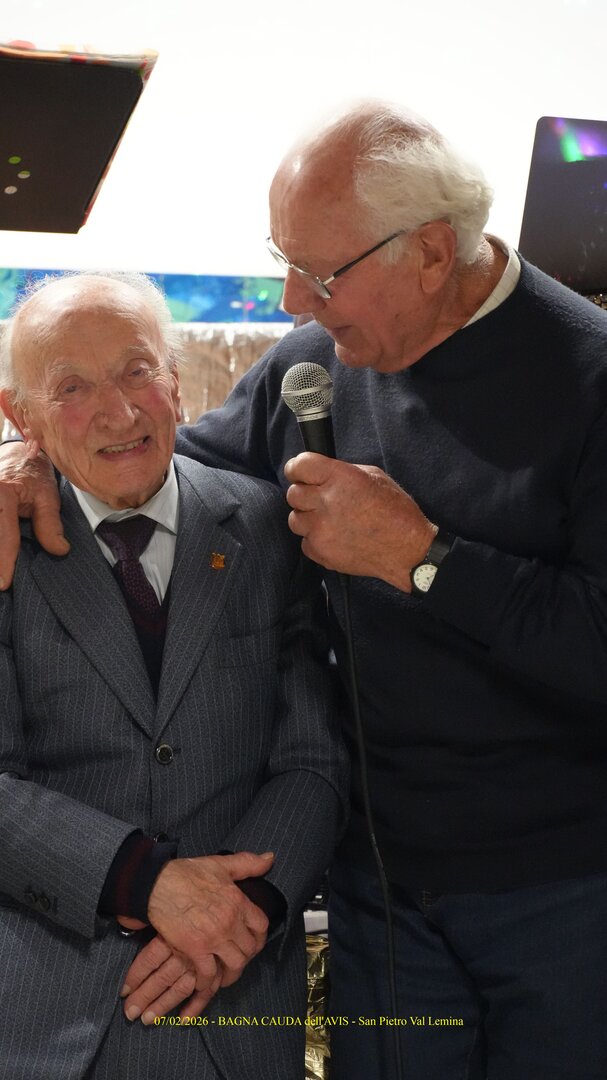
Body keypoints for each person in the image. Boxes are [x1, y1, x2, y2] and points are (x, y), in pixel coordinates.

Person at [1, 102, 607, 1080]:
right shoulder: (313, 364)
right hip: (377, 893)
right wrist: (27, 459)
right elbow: (159, 471)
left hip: (559, 892)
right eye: (283, 263)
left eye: (320, 275)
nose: (290, 301)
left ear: (431, 252)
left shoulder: (589, 379)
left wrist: (424, 560)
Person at [0, 271, 347, 1080]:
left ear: (176, 382)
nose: (120, 412)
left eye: (137, 371)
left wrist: (242, 911)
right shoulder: (5, 547)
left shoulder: (270, 527)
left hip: (234, 999)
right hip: (47, 1018)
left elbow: (313, 757)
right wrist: (143, 881)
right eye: (73, 388)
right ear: (21, 416)